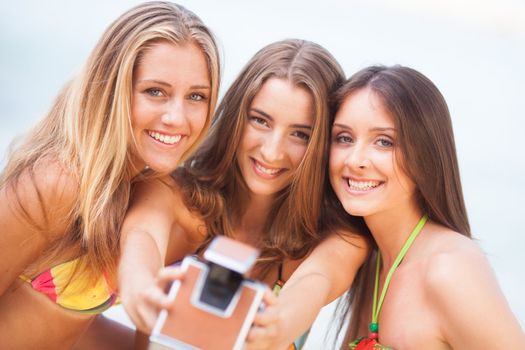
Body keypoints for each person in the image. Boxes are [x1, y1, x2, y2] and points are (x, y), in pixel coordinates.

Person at [119, 39, 370, 349]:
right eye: (260, 120)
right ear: (238, 116)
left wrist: (278, 325)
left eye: (300, 134)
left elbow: (315, 283)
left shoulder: (338, 240)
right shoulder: (169, 191)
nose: (272, 151)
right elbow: (141, 236)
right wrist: (138, 286)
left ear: (323, 143)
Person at [0, 2, 220, 348]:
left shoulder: (133, 188)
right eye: (155, 92)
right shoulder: (57, 184)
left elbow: (69, 327)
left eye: (196, 96)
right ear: (113, 89)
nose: (177, 117)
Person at [329, 65, 525, 349]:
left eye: (384, 142)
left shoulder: (450, 269)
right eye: (344, 138)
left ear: (425, 155)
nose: (355, 160)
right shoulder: (376, 261)